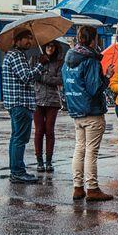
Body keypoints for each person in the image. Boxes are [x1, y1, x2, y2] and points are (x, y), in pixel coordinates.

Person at [63, 26, 114, 201]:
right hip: (92, 111)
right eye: (96, 38)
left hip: (76, 110)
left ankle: (78, 187)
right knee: (91, 151)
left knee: (80, 149)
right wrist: (106, 76)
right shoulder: (90, 60)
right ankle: (92, 188)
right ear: (93, 39)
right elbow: (94, 89)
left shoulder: (69, 59)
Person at [1, 30, 44, 183]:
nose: (30, 42)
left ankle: (15, 170)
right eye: (27, 38)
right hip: (21, 103)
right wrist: (41, 65)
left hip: (15, 103)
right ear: (18, 40)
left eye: (31, 38)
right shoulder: (17, 55)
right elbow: (26, 77)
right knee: (20, 139)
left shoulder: (11, 55)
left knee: (15, 138)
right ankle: (18, 171)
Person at [33, 41, 64, 173]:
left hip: (52, 100)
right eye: (47, 46)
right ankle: (39, 161)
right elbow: (32, 76)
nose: (50, 49)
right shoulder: (35, 60)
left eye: (52, 46)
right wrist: (41, 65)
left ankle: (49, 161)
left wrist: (43, 78)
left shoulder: (59, 63)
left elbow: (60, 80)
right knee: (39, 131)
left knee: (49, 131)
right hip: (37, 99)